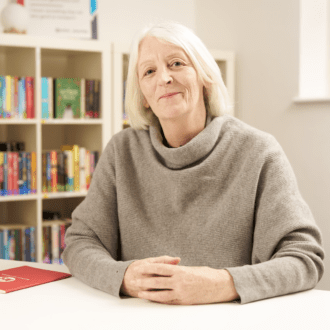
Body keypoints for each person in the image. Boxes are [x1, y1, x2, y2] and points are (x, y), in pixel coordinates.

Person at [62, 21, 324, 305]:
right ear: (143, 96)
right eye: (149, 71)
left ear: (205, 77)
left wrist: (223, 283)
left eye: (176, 63)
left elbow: (304, 259)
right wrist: (124, 276)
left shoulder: (259, 152)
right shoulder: (121, 151)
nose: (164, 78)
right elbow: (79, 243)